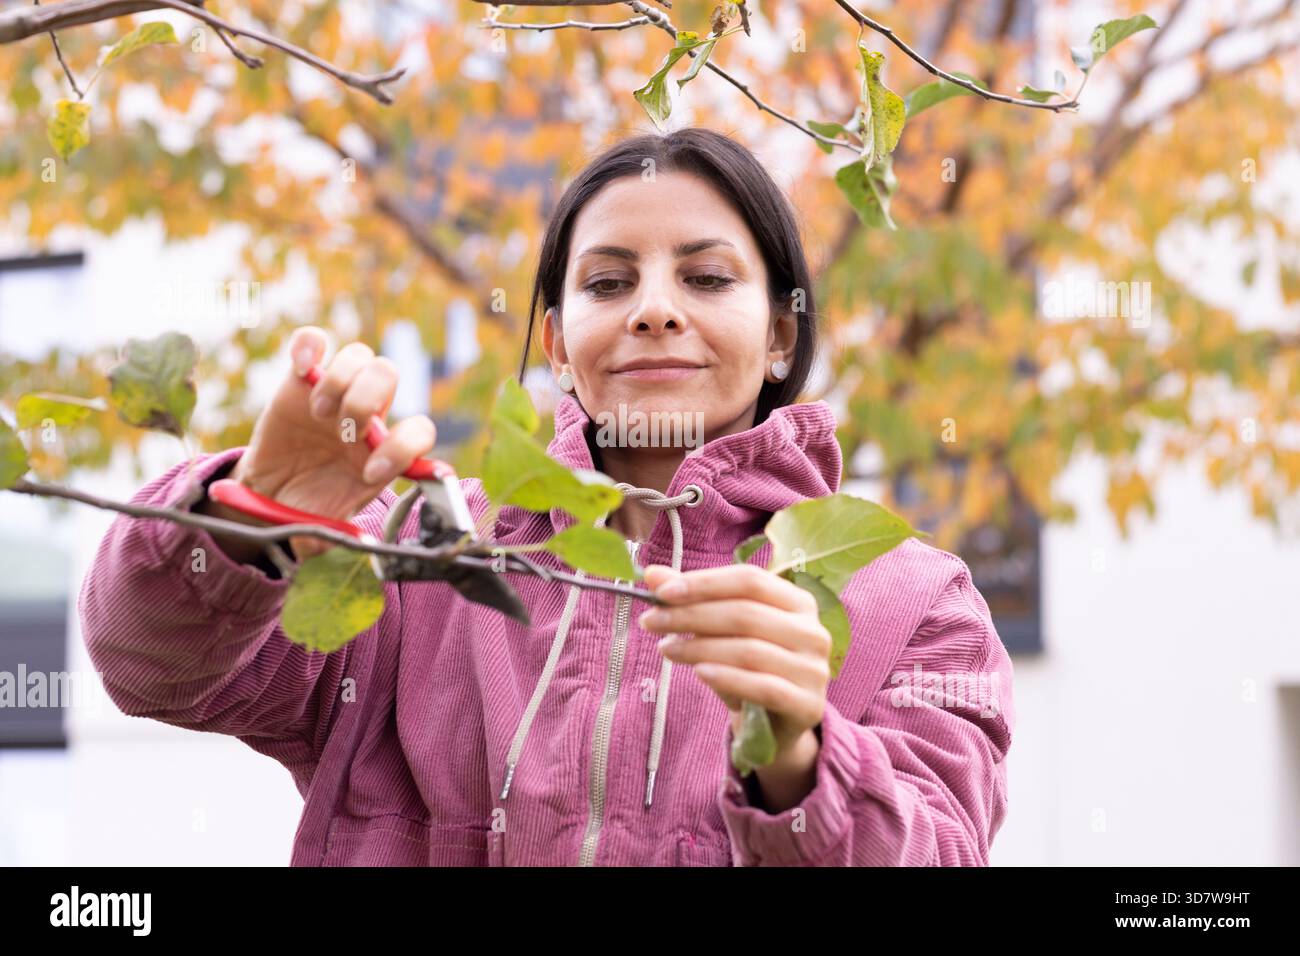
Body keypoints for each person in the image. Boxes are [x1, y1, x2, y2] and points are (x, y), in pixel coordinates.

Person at [79, 126, 1014, 866]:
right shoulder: (424, 551)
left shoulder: (914, 604)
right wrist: (253, 522)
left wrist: (801, 757)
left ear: (778, 334)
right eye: (610, 281)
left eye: (706, 276)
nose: (655, 307)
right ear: (561, 345)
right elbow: (151, 667)